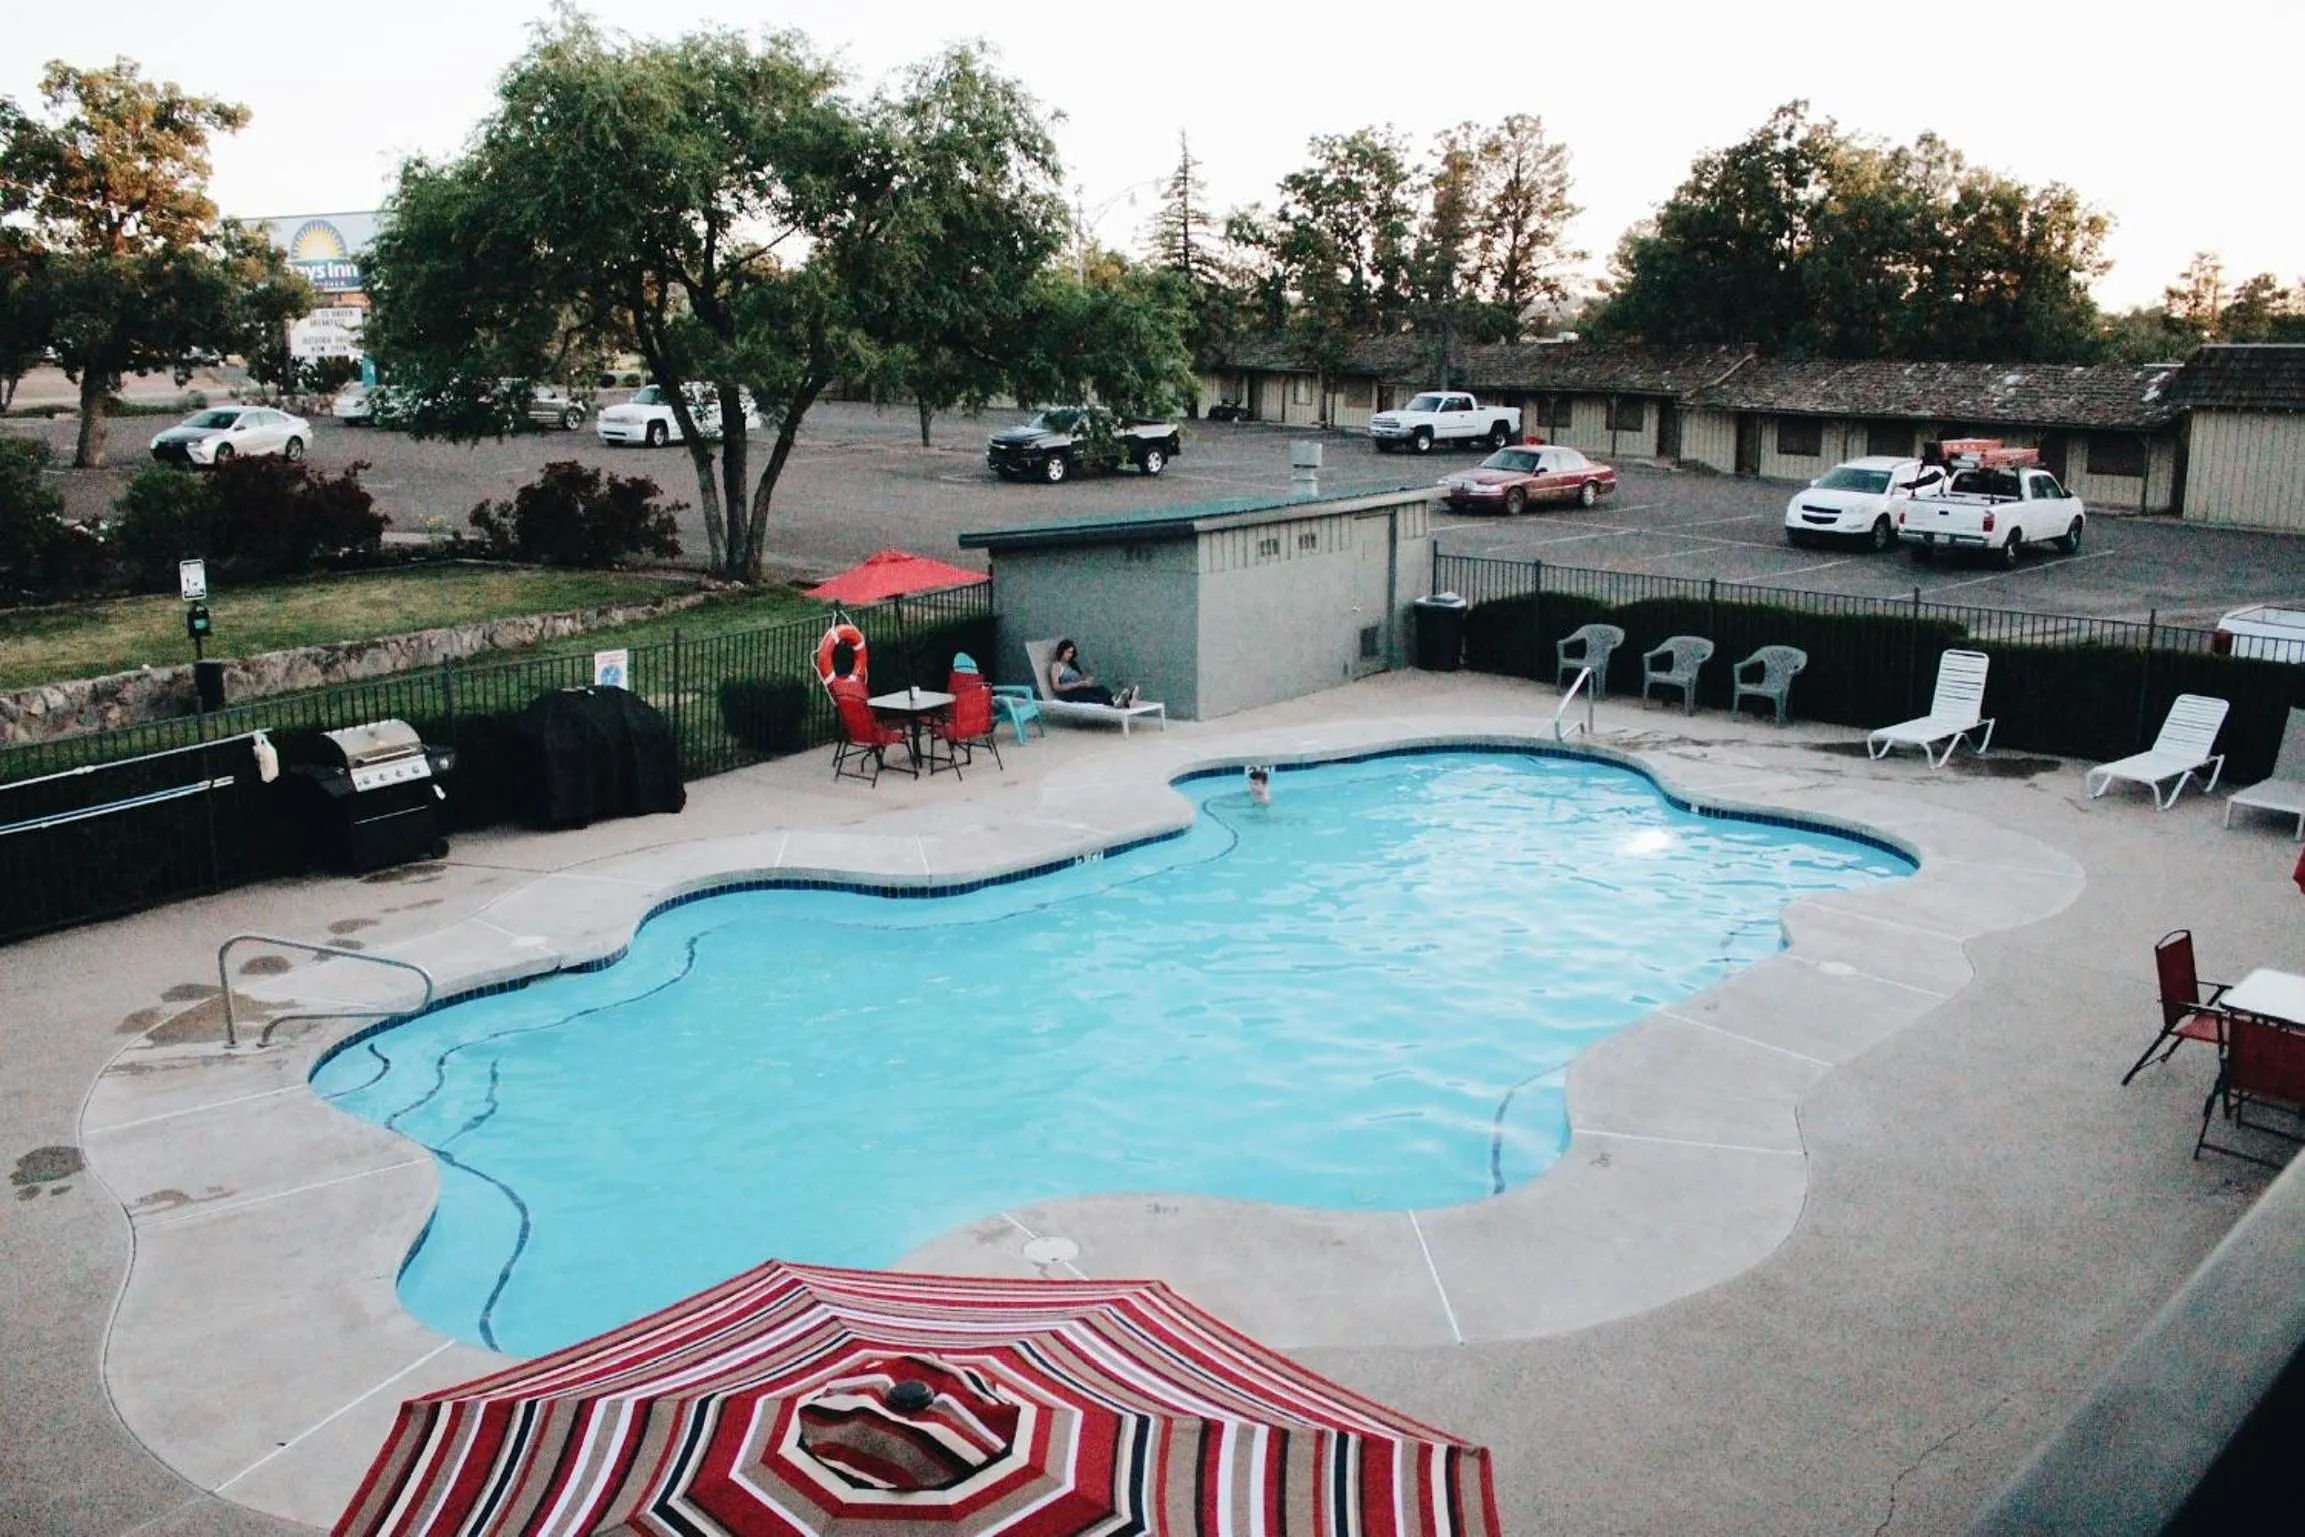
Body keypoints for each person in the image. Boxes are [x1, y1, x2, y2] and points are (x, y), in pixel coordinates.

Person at [1047, 638, 1137, 707]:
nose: (1069, 655)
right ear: (1061, 651)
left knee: (1101, 689)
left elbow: (1080, 678)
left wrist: (1086, 681)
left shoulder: (1072, 664)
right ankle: (1118, 702)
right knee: (1093, 698)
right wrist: (1077, 684)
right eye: (1067, 652)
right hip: (1069, 694)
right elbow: (1057, 687)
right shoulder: (1056, 666)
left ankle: (1121, 700)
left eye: (1071, 653)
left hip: (1080, 689)